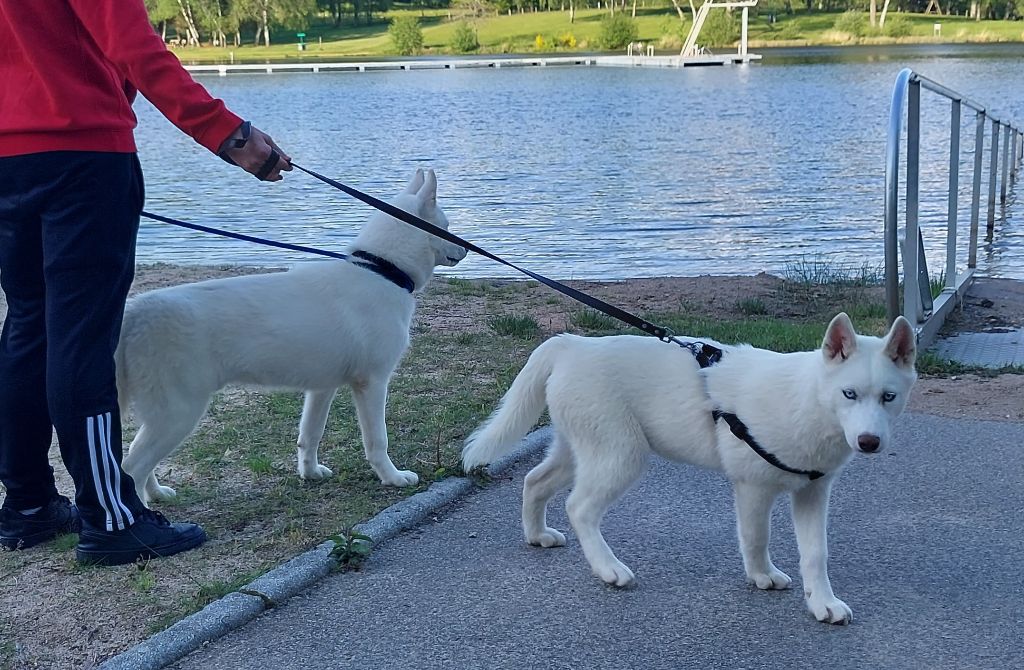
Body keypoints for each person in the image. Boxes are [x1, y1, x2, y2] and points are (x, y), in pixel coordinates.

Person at [0, 0, 292, 565]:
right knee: (80, 338)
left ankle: (29, 506)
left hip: (8, 155)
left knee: (29, 325)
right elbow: (134, 45)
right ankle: (110, 519)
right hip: (81, 151)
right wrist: (230, 135)